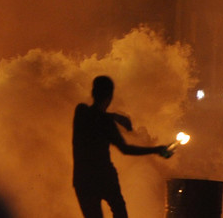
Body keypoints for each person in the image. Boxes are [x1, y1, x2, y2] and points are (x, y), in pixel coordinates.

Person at [72, 75, 173, 218]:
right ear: (110, 96)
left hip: (84, 179)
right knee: (120, 212)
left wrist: (114, 117)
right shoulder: (106, 122)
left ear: (93, 93)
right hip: (104, 176)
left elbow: (94, 114)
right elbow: (126, 149)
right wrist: (156, 150)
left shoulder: (81, 112)